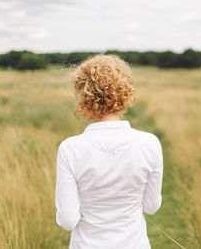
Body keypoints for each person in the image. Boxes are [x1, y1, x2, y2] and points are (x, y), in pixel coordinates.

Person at [55, 54, 163, 249]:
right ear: (125, 92)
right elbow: (151, 207)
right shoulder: (150, 143)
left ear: (83, 96)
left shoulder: (70, 149)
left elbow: (67, 220)